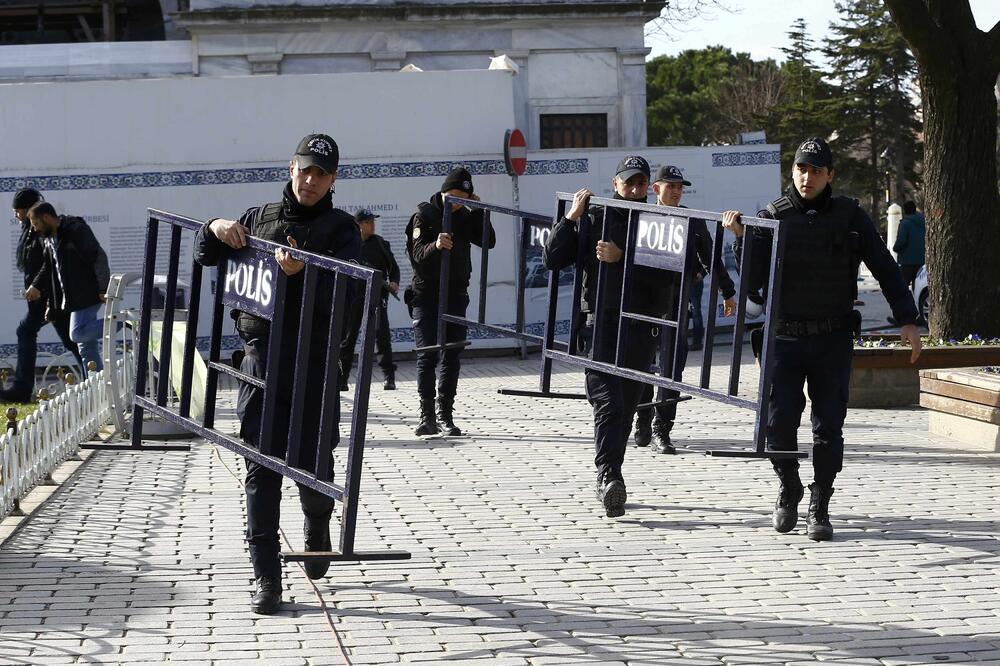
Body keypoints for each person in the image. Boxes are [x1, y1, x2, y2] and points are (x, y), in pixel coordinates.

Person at [193, 133, 360, 614]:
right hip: (259, 360)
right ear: (291, 168)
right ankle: (266, 575)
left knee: (311, 463)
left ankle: (317, 518)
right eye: (305, 170)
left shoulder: (341, 230)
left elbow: (352, 297)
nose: (310, 181)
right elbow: (206, 255)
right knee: (259, 467)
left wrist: (302, 275)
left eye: (321, 174)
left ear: (333, 180)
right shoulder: (259, 217)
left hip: (313, 364)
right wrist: (215, 226)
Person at [722, 137, 922, 541]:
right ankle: (789, 486)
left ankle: (821, 502)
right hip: (784, 338)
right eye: (801, 169)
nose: (807, 177)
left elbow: (884, 266)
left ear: (830, 174)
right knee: (778, 424)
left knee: (828, 427)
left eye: (815, 170)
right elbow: (754, 279)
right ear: (792, 171)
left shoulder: (850, 216)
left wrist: (907, 319)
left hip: (832, 338)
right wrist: (743, 237)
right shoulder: (772, 216)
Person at [543, 155, 675, 518]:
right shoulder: (595, 217)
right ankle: (609, 475)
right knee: (609, 403)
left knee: (626, 408)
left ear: (649, 187)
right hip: (600, 326)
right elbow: (552, 259)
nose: (634, 189)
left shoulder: (658, 222)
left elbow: (670, 277)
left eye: (640, 183)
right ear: (615, 184)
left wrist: (623, 256)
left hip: (640, 327)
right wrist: (571, 218)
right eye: (628, 182)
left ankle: (611, 473)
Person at [632, 165, 737, 454]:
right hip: (642, 304)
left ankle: (661, 429)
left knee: (672, 368)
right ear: (656, 189)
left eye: (680, 187)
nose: (677, 192)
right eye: (671, 187)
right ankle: (642, 416)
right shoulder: (641, 216)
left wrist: (727, 291)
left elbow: (710, 258)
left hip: (675, 305)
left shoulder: (692, 220)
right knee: (640, 363)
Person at [404, 167, 495, 437]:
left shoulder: (465, 216)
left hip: (455, 294)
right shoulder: (424, 215)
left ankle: (445, 414)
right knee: (427, 354)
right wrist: (436, 245)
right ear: (443, 192)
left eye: (463, 199)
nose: (456, 203)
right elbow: (416, 254)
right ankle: (427, 415)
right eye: (453, 197)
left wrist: (478, 211)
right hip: (426, 295)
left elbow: (488, 241)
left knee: (452, 354)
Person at [0, 190, 82, 403]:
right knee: (71, 339)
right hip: (45, 297)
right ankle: (95, 378)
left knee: (28, 331)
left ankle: (22, 388)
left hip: (50, 295)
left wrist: (37, 285)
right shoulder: (29, 229)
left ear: (27, 208)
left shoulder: (39, 229)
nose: (15, 214)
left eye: (18, 210)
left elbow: (50, 262)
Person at [28, 202, 110, 372]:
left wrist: (103, 288)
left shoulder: (75, 229)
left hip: (88, 292)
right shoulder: (50, 239)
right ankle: (95, 382)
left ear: (46, 217)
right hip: (74, 298)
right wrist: (40, 291)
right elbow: (50, 270)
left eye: (36, 224)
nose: (35, 229)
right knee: (85, 347)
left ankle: (124, 323)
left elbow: (98, 256)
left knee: (77, 333)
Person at [339, 208, 400, 391]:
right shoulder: (349, 244)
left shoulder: (380, 243)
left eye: (373, 221)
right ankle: (342, 379)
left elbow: (394, 268)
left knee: (382, 338)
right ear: (359, 225)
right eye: (368, 222)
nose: (372, 225)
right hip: (353, 299)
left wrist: (394, 282)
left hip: (376, 298)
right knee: (347, 339)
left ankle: (389, 377)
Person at [893, 200, 925, 290]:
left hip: (907, 261)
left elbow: (901, 241)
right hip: (922, 260)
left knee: (902, 286)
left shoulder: (905, 223)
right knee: (918, 287)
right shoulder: (924, 222)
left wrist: (895, 248)